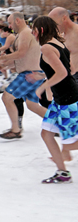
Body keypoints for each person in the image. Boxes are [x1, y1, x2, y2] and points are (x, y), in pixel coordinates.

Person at [29, 16, 78, 183]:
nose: (32, 34)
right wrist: (43, 76)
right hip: (61, 98)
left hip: (67, 99)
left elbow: (62, 73)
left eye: (34, 31)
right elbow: (65, 69)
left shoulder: (47, 48)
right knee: (47, 133)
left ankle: (62, 170)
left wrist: (43, 87)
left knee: (72, 141)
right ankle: (62, 172)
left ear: (41, 30)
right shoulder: (59, 44)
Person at [0, 12, 48, 139]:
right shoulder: (22, 35)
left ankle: (15, 129)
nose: (10, 26)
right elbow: (22, 59)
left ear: (18, 21)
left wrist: (2, 57)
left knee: (7, 97)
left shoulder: (25, 34)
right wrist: (4, 65)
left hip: (30, 74)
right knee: (32, 105)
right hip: (32, 73)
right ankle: (59, 124)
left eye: (11, 23)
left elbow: (21, 54)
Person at [48, 7, 78, 160]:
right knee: (64, 117)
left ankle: (66, 150)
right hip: (68, 82)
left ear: (64, 18)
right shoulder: (61, 36)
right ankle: (65, 152)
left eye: (53, 22)